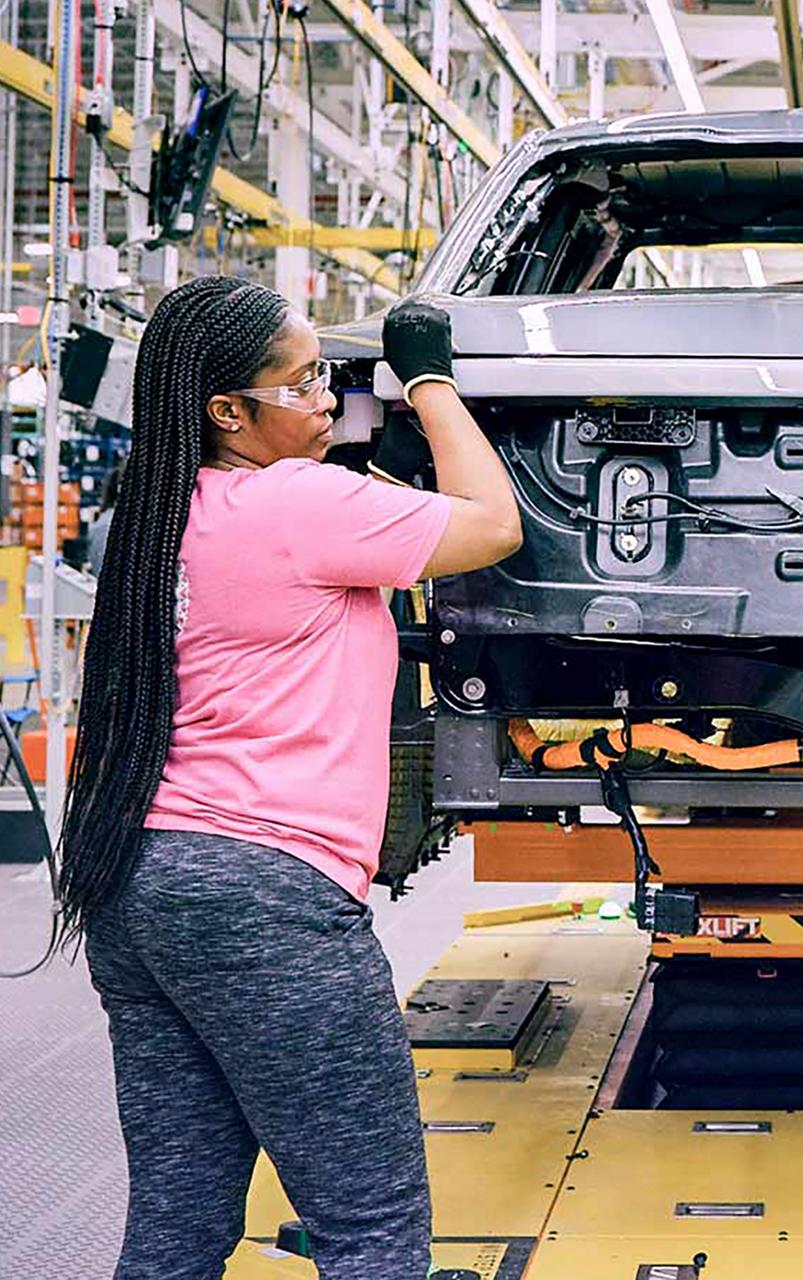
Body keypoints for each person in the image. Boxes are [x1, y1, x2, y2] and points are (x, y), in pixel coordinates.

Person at [53, 278, 522, 1280]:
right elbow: (490, 526)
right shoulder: (301, 502)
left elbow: (377, 519)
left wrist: (371, 463)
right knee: (373, 1231)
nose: (327, 397)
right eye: (304, 379)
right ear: (228, 409)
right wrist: (430, 381)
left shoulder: (157, 512)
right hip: (265, 897)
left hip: (140, 888)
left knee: (177, 1226)